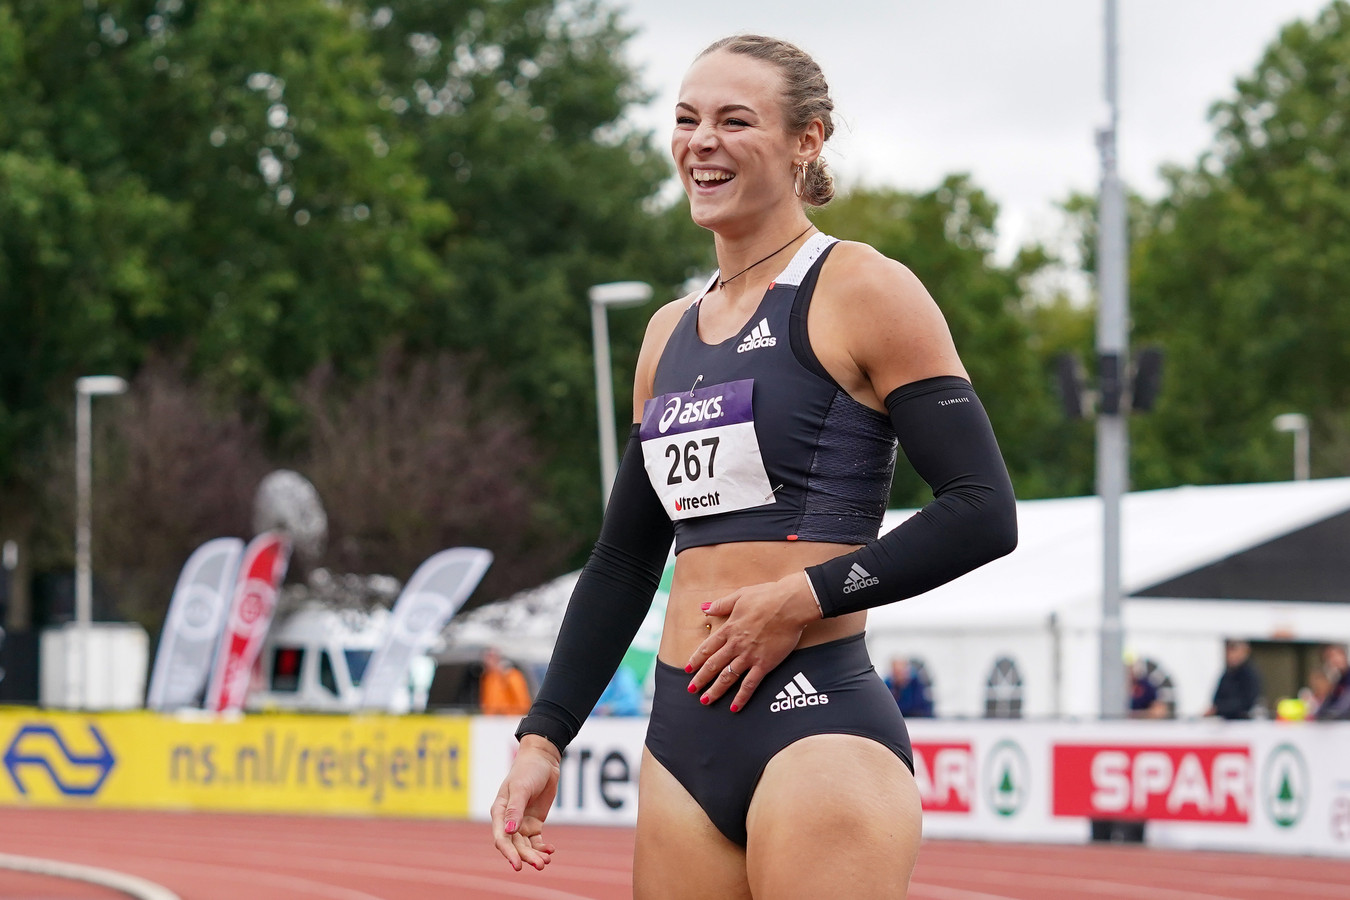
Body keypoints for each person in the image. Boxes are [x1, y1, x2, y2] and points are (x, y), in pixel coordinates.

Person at [490, 34, 1017, 898]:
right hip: (683, 738)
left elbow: (983, 511)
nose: (703, 140)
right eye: (687, 119)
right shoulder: (666, 334)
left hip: (817, 726)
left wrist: (799, 599)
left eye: (736, 120)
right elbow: (625, 560)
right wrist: (545, 735)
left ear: (807, 140)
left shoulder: (863, 288)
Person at [1206, 639, 1262, 720]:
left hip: (1244, 723)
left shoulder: (1250, 674)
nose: (1230, 655)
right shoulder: (1227, 673)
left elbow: (1247, 702)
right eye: (1228, 651)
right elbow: (1216, 699)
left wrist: (1220, 708)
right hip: (1226, 722)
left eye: (1234, 650)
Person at [478, 646, 531, 716]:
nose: (487, 660)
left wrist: (508, 713)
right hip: (492, 721)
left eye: (491, 657)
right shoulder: (488, 677)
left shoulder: (512, 675)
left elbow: (523, 704)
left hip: (509, 721)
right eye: (486, 657)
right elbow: (486, 703)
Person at [1315, 643, 1350, 721]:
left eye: (1337, 654)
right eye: (1329, 657)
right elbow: (1329, 702)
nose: (1335, 659)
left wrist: (1327, 716)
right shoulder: (1340, 680)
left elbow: (1344, 707)